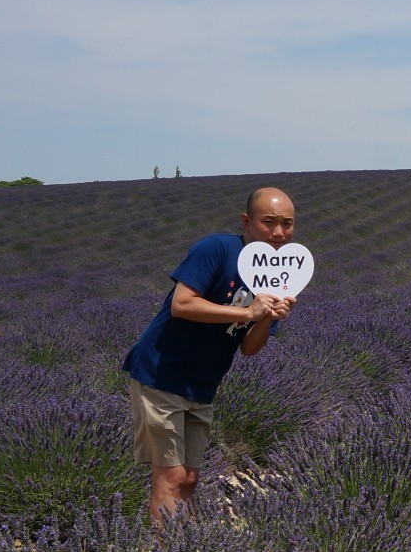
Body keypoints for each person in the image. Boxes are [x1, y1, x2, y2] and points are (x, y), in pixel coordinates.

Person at [122, 187, 297, 524]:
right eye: (269, 222)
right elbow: (182, 304)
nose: (278, 233)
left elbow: (249, 348)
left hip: (202, 384)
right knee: (170, 477)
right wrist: (248, 313)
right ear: (247, 221)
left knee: (188, 479)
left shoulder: (278, 275)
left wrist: (268, 318)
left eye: (287, 224)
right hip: (161, 373)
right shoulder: (218, 249)